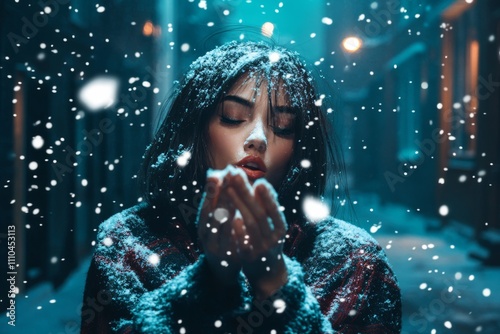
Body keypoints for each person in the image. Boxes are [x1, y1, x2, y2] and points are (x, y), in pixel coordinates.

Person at [81, 41, 401, 333]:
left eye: (283, 127)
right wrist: (208, 285)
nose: (258, 139)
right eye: (233, 117)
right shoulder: (131, 242)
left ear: (299, 148)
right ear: (197, 128)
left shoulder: (354, 261)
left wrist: (276, 284)